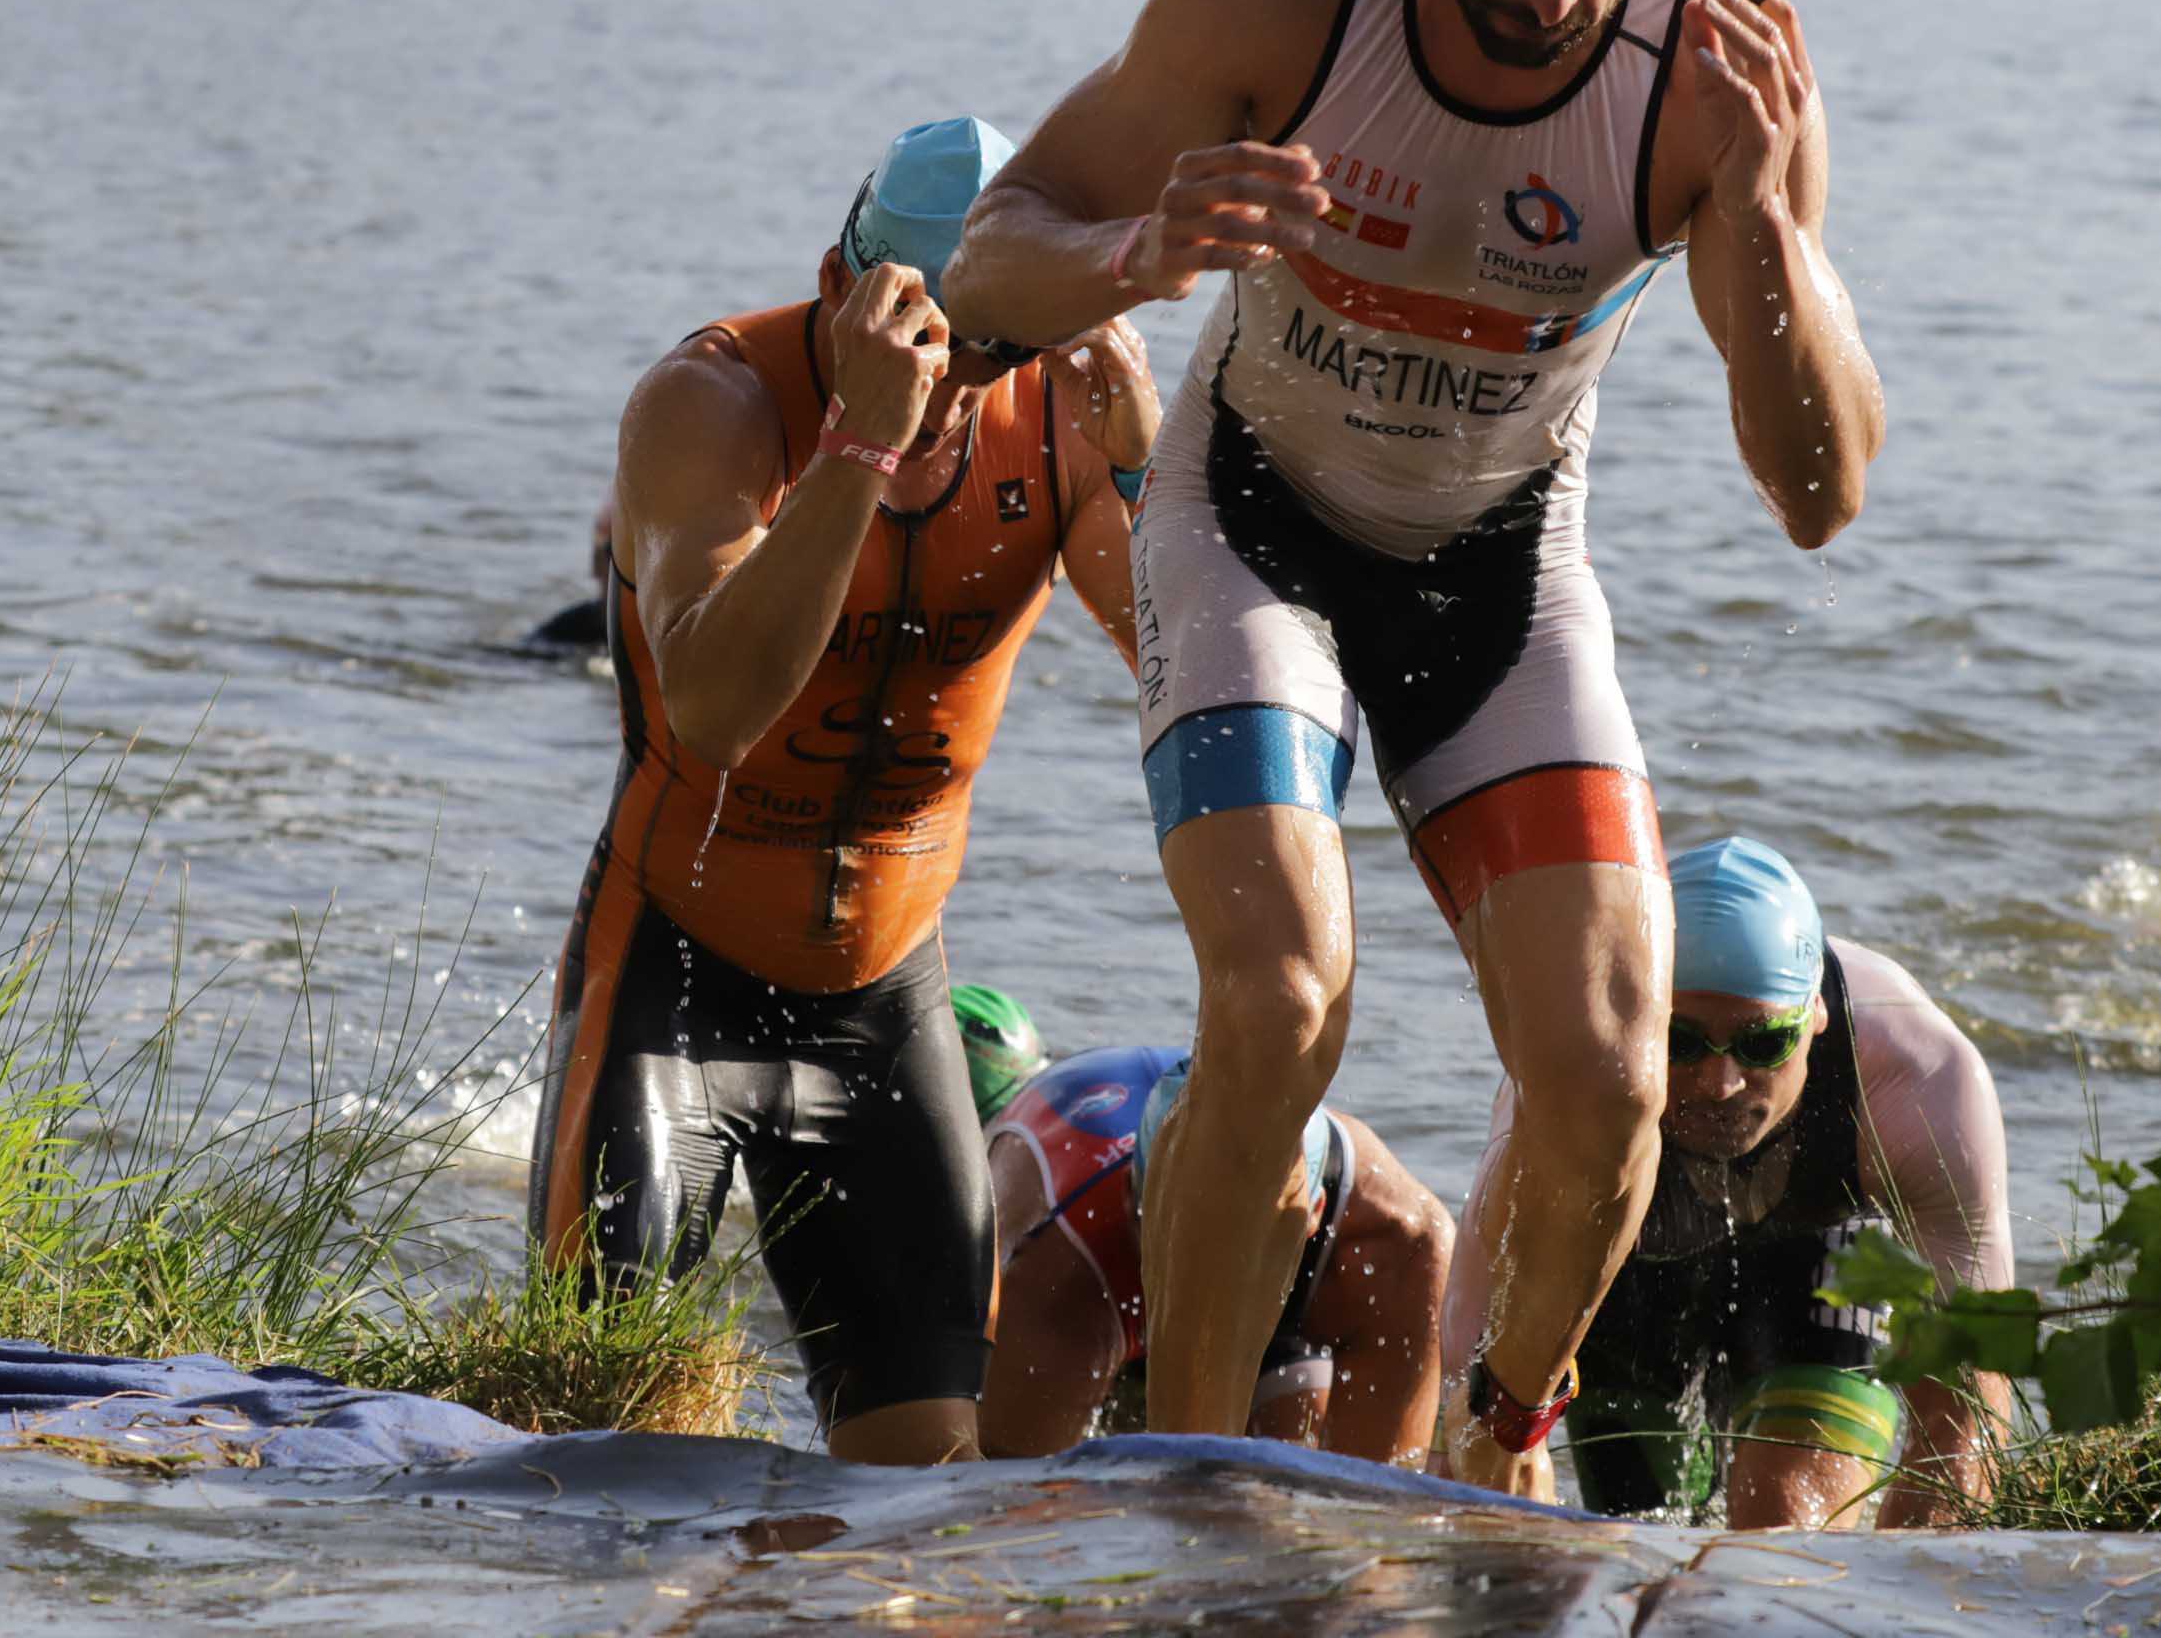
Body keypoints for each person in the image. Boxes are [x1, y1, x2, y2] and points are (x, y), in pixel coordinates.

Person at [934, 0, 1882, 1495]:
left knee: (1608, 1082)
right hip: (1251, 527)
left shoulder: (1722, 67)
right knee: (1287, 996)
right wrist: (1141, 245)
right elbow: (989, 260)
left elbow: (1821, 493)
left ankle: (1492, 1441)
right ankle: (1195, 1475)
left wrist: (1762, 226)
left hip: (1497, 573)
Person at [525, 116, 1159, 1467]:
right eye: (927, 339)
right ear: (840, 287)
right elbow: (717, 705)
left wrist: (1155, 474)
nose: (961, 383)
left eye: (997, 346)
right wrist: (857, 453)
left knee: (925, 1493)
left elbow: (1183, 669)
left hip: (882, 1003)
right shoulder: (715, 404)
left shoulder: (1055, 416)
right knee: (589, 1451)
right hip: (674, 979)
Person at [1439, 837, 2013, 1527]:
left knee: (1783, 1529)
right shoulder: (1578, 1079)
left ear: (1816, 1018)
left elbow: (1966, 1424)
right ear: (1638, 1013)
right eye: (1679, 1041)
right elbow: (1468, 1392)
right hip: (1622, 1282)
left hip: (1826, 1264)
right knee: (1629, 1549)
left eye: (1763, 1043)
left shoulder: (1919, 1081)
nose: (1721, 1084)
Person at [955, 987, 1455, 1466]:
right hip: (1093, 1257)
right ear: (1137, 1203)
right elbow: (1014, 1517)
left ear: (1313, 1213)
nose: (1197, 1281)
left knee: (1294, 1468)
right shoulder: (1058, 1274)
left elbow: (1379, 1493)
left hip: (1278, 1267)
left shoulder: (1401, 1243)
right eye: (1176, 1248)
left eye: (1213, 1258)